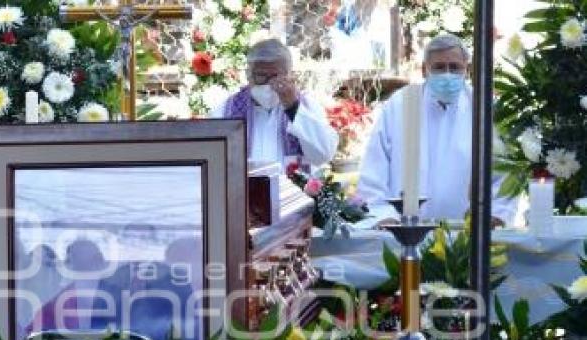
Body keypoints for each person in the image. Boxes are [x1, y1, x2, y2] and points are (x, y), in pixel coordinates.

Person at [356, 34, 518, 227]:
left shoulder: (484, 107)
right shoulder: (400, 105)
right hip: (405, 230)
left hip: (470, 232)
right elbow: (375, 167)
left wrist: (496, 214)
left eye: (455, 67)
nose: (448, 75)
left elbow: (506, 170)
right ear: (425, 70)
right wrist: (383, 215)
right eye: (439, 67)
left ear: (466, 69)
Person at [211, 38, 338, 168]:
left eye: (276, 77)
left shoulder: (308, 107)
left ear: (289, 75)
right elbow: (213, 161)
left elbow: (323, 155)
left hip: (294, 187)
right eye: (261, 76)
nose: (269, 84)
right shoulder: (225, 111)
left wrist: (293, 109)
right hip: (245, 187)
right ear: (248, 75)